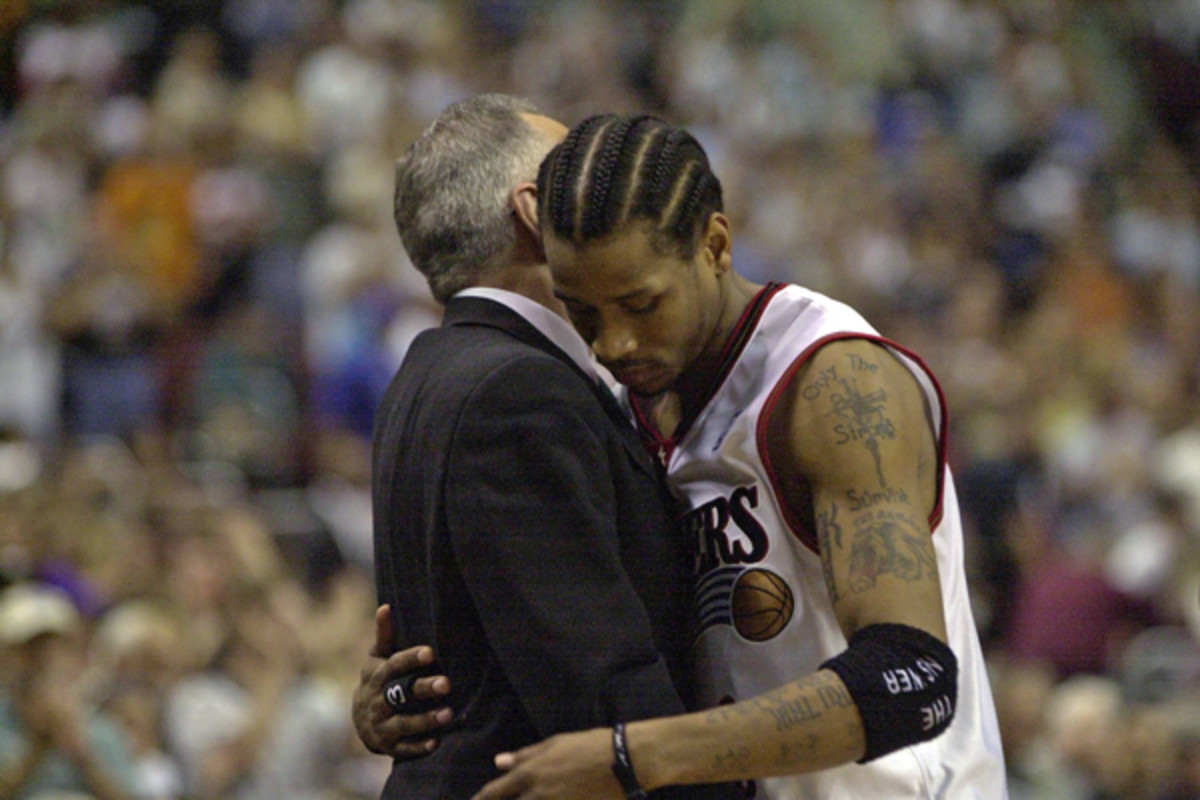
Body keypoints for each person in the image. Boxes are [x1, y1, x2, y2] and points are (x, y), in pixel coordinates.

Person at [363, 113, 1007, 799]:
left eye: (641, 304)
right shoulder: (633, 400)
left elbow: (913, 679)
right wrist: (413, 694)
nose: (614, 344)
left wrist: (635, 753)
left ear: (716, 244)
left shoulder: (832, 383)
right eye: (584, 313)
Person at [366, 95, 732, 800]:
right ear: (537, 211)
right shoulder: (516, 391)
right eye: (576, 177)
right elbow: (598, 683)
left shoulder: (431, 371)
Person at [0, 581, 138, 800]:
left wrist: (82, 755)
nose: (42, 660)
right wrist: (38, 748)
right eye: (29, 649)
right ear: (7, 657)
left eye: (53, 648)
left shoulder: (102, 730)